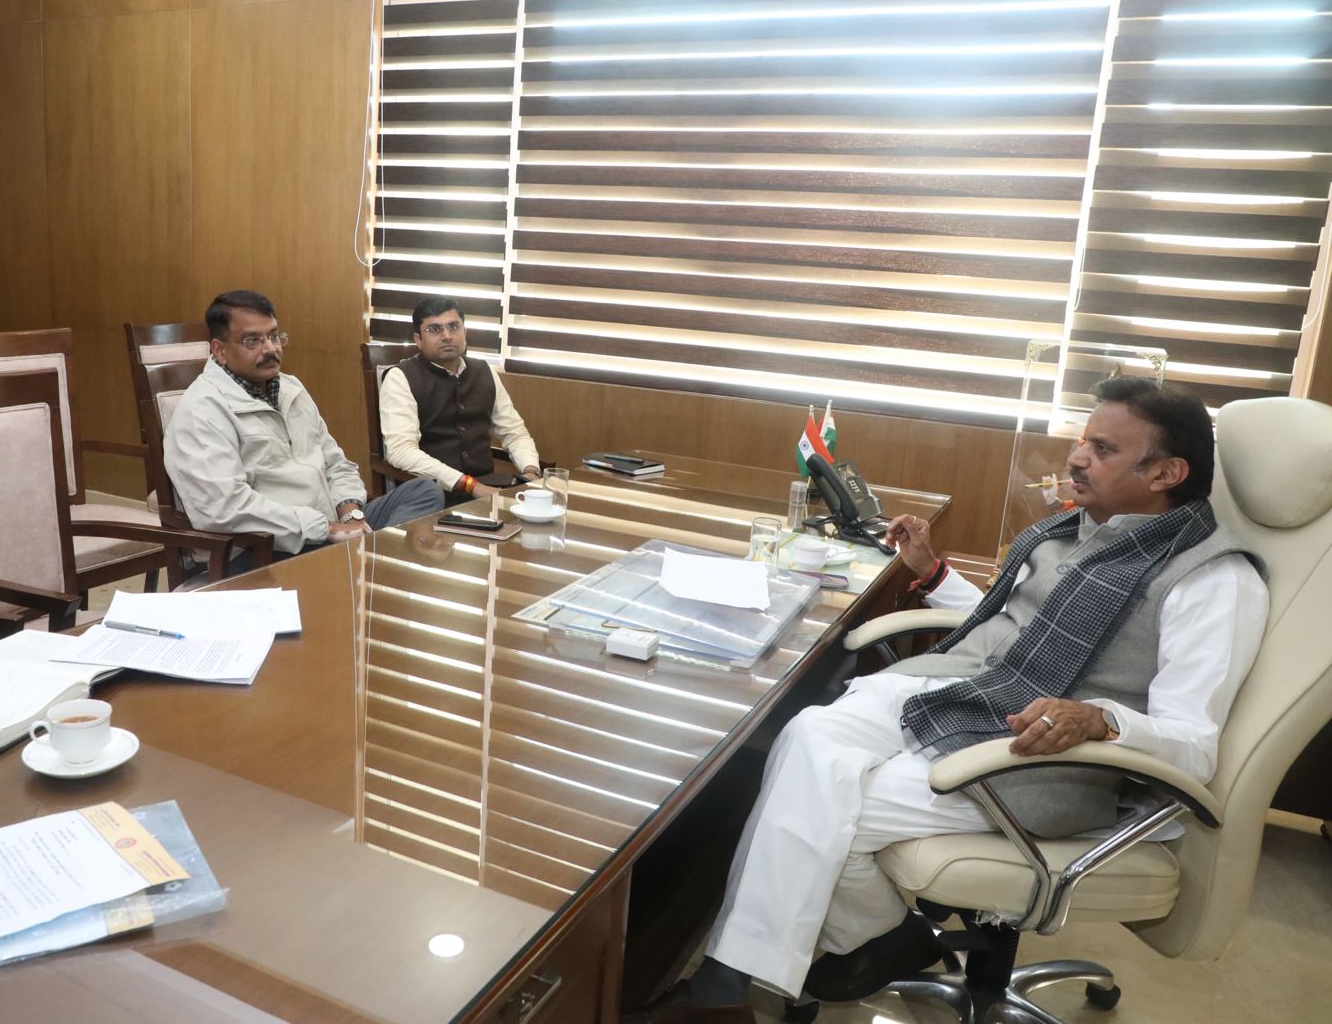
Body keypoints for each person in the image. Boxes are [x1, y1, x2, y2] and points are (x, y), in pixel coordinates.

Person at [629, 377, 1269, 1023]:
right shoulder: (1081, 531)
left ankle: (740, 984)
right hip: (970, 691)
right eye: (1083, 441)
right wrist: (934, 573)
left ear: (1166, 472)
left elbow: (1193, 744)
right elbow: (1018, 626)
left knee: (827, 801)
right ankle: (868, 942)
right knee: (806, 736)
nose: (1076, 458)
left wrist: (1101, 719)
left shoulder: (1213, 580)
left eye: (1102, 449)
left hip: (1048, 754)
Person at [164, 289, 443, 558]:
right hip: (266, 546)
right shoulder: (202, 409)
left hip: (328, 526)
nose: (270, 349)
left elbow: (336, 463)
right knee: (380, 553)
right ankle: (373, 565)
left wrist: (350, 513)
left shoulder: (290, 388)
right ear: (220, 350)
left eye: (274, 336)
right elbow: (223, 507)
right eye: (252, 341)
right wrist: (324, 529)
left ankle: (368, 562)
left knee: (424, 491)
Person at [378, 296, 541, 501]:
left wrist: (531, 471)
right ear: (418, 339)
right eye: (434, 329)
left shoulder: (484, 372)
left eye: (453, 327)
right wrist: (469, 485)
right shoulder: (400, 378)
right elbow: (401, 451)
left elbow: (514, 432)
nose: (447, 336)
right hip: (432, 496)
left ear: (465, 332)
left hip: (489, 490)